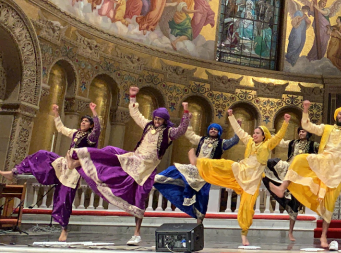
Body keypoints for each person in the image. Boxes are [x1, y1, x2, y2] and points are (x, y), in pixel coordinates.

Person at [71, 86, 189, 246]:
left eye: (159, 120)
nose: (156, 121)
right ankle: (83, 159)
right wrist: (132, 97)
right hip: (134, 160)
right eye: (155, 118)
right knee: (109, 151)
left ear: (164, 120)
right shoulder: (148, 126)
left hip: (145, 171)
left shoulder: (168, 132)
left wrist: (186, 113)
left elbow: (181, 130)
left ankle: (136, 234)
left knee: (139, 199)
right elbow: (136, 115)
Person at [269, 101, 341, 249]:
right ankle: (282, 187)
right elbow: (307, 126)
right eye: (340, 113)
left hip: (336, 169)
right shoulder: (326, 128)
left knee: (329, 202)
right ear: (335, 116)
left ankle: (324, 235)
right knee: (299, 159)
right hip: (323, 160)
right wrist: (305, 110)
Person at [0, 103, 100, 242]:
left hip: (74, 170)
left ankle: (64, 229)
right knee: (41, 155)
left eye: (86, 121)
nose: (83, 122)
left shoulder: (90, 137)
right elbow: (60, 128)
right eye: (82, 120)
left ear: (90, 125)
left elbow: (98, 129)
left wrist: (94, 112)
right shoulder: (76, 133)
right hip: (63, 163)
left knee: (63, 200)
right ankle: (14, 172)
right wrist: (56, 113)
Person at [192, 111, 290, 246]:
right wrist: (231, 117)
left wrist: (285, 122)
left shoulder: (268, 145)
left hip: (252, 182)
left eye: (257, 133)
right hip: (241, 170)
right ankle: (198, 162)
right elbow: (239, 131)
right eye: (254, 132)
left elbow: (278, 136)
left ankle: (244, 234)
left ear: (263, 136)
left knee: (246, 209)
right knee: (222, 164)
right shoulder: (249, 141)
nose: (254, 135)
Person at [153, 123, 239, 223]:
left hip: (207, 172)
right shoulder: (201, 140)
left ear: (219, 132)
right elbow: (190, 135)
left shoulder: (222, 143)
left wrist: (237, 125)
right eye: (211, 129)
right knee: (176, 169)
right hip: (196, 168)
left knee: (203, 196)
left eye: (215, 129)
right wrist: (188, 120)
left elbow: (234, 140)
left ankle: (199, 222)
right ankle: (156, 179)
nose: (213, 130)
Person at [263, 116, 319, 241]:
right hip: (289, 168)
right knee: (269, 163)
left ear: (308, 133)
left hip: (301, 175)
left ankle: (290, 232)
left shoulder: (313, 145)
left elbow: (324, 150)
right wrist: (268, 134)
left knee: (294, 205)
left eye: (303, 131)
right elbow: (280, 142)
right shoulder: (293, 143)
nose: (301, 133)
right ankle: (279, 187)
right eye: (299, 131)